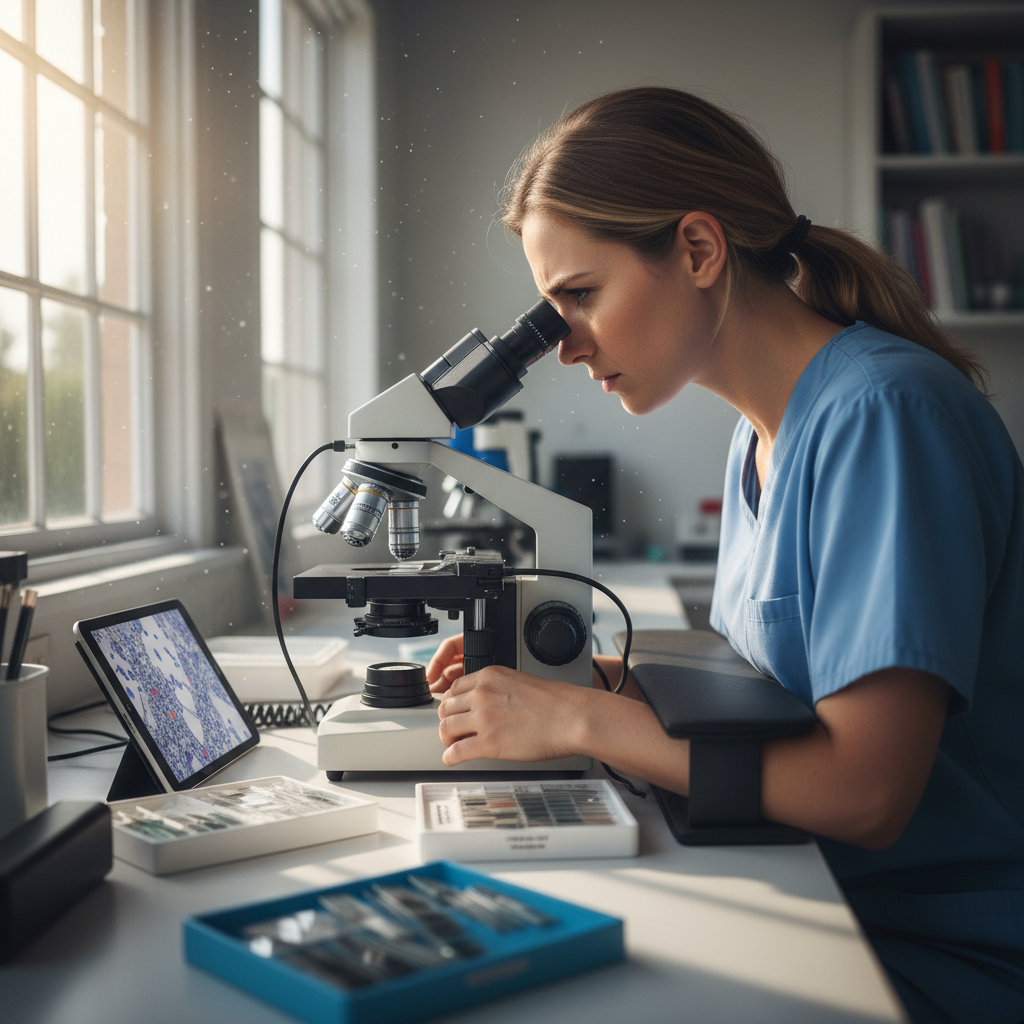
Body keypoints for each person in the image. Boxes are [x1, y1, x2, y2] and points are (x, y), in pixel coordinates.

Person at [425, 87, 1024, 1024]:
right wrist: (584, 679)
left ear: (699, 250)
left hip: (938, 948)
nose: (566, 346)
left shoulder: (886, 416)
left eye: (579, 296)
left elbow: (865, 791)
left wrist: (584, 723)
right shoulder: (759, 436)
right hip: (818, 895)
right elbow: (786, 696)